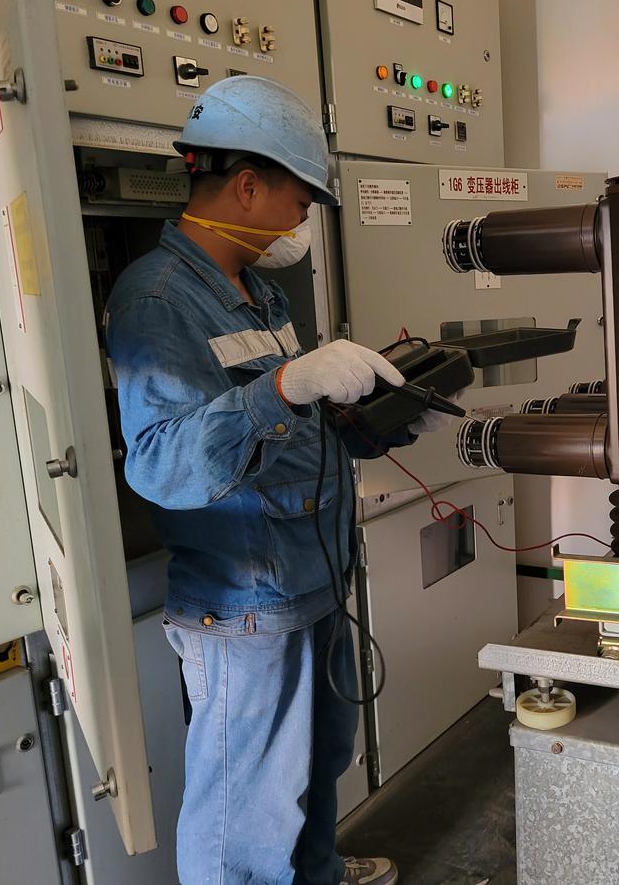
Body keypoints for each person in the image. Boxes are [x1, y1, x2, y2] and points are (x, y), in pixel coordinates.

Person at [106, 76, 445, 885]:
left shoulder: (258, 291)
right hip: (244, 605)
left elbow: (291, 431)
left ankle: (318, 874)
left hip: (309, 577)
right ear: (249, 186)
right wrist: (286, 385)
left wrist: (379, 422)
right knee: (244, 816)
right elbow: (161, 463)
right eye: (300, 200)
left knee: (315, 768)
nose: (301, 221)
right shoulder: (158, 299)